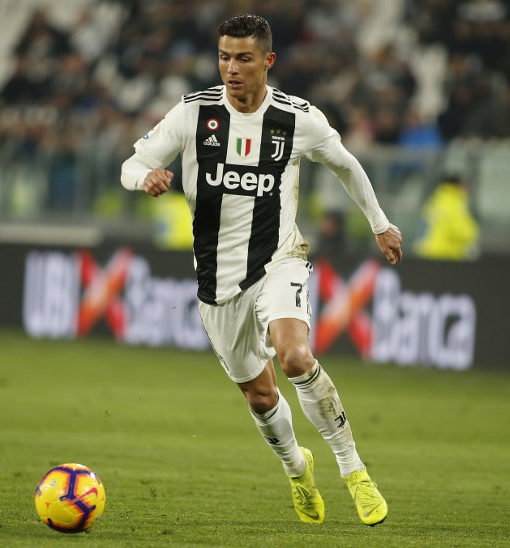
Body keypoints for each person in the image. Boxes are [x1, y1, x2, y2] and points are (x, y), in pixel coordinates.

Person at [121, 14, 403, 527]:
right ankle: (298, 469)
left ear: (267, 62)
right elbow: (129, 165)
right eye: (224, 57)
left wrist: (381, 224)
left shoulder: (297, 119)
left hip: (279, 260)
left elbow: (345, 164)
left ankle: (353, 469)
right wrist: (148, 177)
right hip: (216, 284)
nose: (231, 68)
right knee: (260, 393)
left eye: (243, 58)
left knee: (295, 357)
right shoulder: (193, 115)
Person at [413, 174, 479, 260]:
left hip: (425, 252)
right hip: (444, 254)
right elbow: (461, 232)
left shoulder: (435, 201)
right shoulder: (454, 204)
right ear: (457, 185)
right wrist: (473, 234)